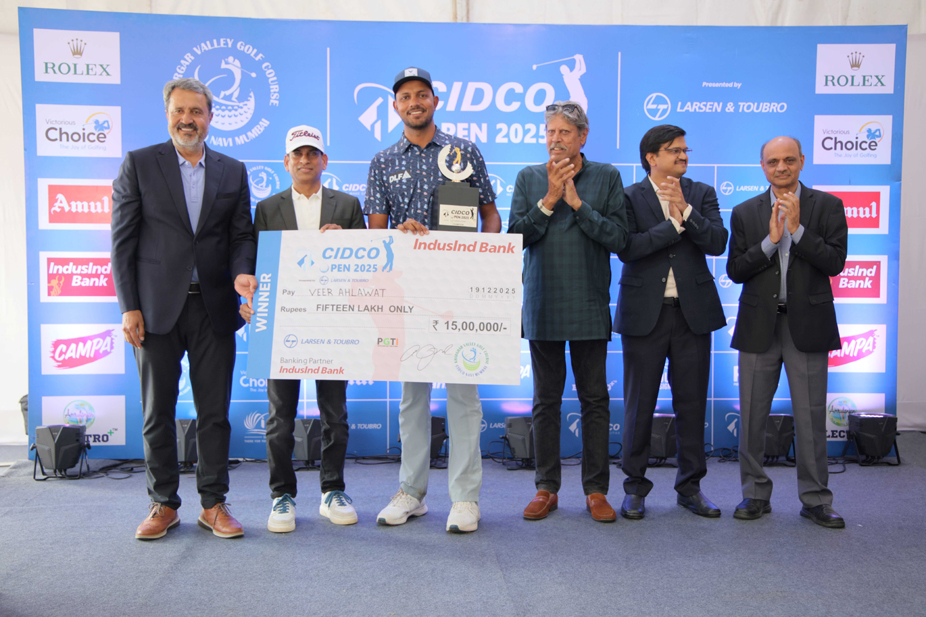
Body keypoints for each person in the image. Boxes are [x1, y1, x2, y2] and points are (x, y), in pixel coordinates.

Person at [111, 78, 257, 540]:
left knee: (214, 412)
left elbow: (241, 236)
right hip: (154, 311)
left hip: (215, 308)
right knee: (158, 411)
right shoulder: (139, 164)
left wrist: (241, 273)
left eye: (196, 111)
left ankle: (213, 503)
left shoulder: (232, 170)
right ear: (168, 114)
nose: (187, 119)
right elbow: (122, 241)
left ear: (211, 117)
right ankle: (163, 503)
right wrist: (128, 306)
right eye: (180, 111)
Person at [364, 67, 501, 533]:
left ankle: (465, 498)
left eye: (422, 95)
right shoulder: (383, 161)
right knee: (412, 397)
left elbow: (490, 217)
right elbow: (374, 233)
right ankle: (412, 492)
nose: (414, 102)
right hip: (407, 292)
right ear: (396, 106)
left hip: (459, 287)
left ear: (435, 101)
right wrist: (397, 234)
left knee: (463, 393)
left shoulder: (464, 153)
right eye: (405, 96)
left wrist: (486, 264)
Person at [239, 125, 366, 533]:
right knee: (280, 416)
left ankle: (333, 490)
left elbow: (367, 262)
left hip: (333, 324)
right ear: (286, 162)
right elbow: (256, 265)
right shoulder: (266, 208)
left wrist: (346, 240)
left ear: (324, 161)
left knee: (335, 414)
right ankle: (282, 496)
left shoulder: (347, 205)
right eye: (298, 154)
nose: (306, 160)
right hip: (281, 323)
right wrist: (250, 301)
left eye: (313, 154)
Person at [507, 101, 628, 522]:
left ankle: (596, 490)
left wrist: (577, 204)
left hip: (589, 303)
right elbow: (516, 239)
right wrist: (549, 200)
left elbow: (619, 239)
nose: (555, 139)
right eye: (550, 132)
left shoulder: (607, 176)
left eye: (564, 132)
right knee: (546, 400)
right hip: (541, 301)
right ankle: (546, 488)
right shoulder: (528, 178)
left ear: (582, 137)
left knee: (595, 398)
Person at [727, 136, 848, 529]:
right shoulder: (746, 211)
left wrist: (797, 230)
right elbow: (735, 271)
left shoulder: (827, 206)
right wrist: (771, 241)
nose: (781, 167)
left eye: (789, 160)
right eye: (773, 161)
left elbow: (834, 263)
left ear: (802, 163)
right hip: (760, 326)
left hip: (807, 327)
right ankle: (754, 493)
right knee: (753, 417)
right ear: (762, 166)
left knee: (811, 416)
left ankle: (814, 499)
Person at [614, 125, 728, 520]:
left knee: (692, 404)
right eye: (673, 150)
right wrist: (673, 226)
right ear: (651, 157)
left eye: (684, 150)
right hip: (645, 314)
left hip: (692, 314)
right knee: (638, 405)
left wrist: (687, 212)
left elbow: (717, 242)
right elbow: (628, 247)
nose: (682, 156)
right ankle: (634, 488)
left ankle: (690, 487)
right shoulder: (629, 196)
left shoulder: (700, 193)